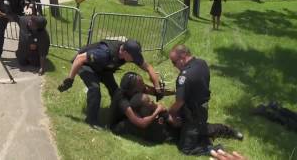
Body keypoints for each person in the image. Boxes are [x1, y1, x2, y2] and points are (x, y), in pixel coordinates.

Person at [111, 72, 243, 144]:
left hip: (158, 122)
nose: (144, 86)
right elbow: (142, 123)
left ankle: (225, 132)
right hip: (148, 124)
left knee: (192, 128)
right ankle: (222, 133)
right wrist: (159, 110)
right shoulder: (124, 103)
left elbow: (157, 92)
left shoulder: (141, 95)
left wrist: (177, 92)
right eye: (140, 85)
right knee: (192, 131)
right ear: (132, 89)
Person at [58, 39, 162, 128]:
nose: (134, 60)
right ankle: (91, 120)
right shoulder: (105, 53)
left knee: (116, 91)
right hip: (86, 65)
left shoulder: (131, 52)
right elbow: (79, 58)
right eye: (133, 57)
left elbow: (149, 68)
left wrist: (157, 88)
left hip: (104, 67)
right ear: (124, 52)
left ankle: (116, 115)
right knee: (94, 89)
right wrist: (70, 79)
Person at [168, 44, 243, 156]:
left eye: (174, 62)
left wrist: (171, 112)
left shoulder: (184, 76)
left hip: (192, 114)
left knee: (186, 148)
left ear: (183, 56)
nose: (174, 66)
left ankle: (215, 149)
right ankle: (231, 131)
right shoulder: (202, 63)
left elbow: (180, 101)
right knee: (201, 128)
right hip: (202, 109)